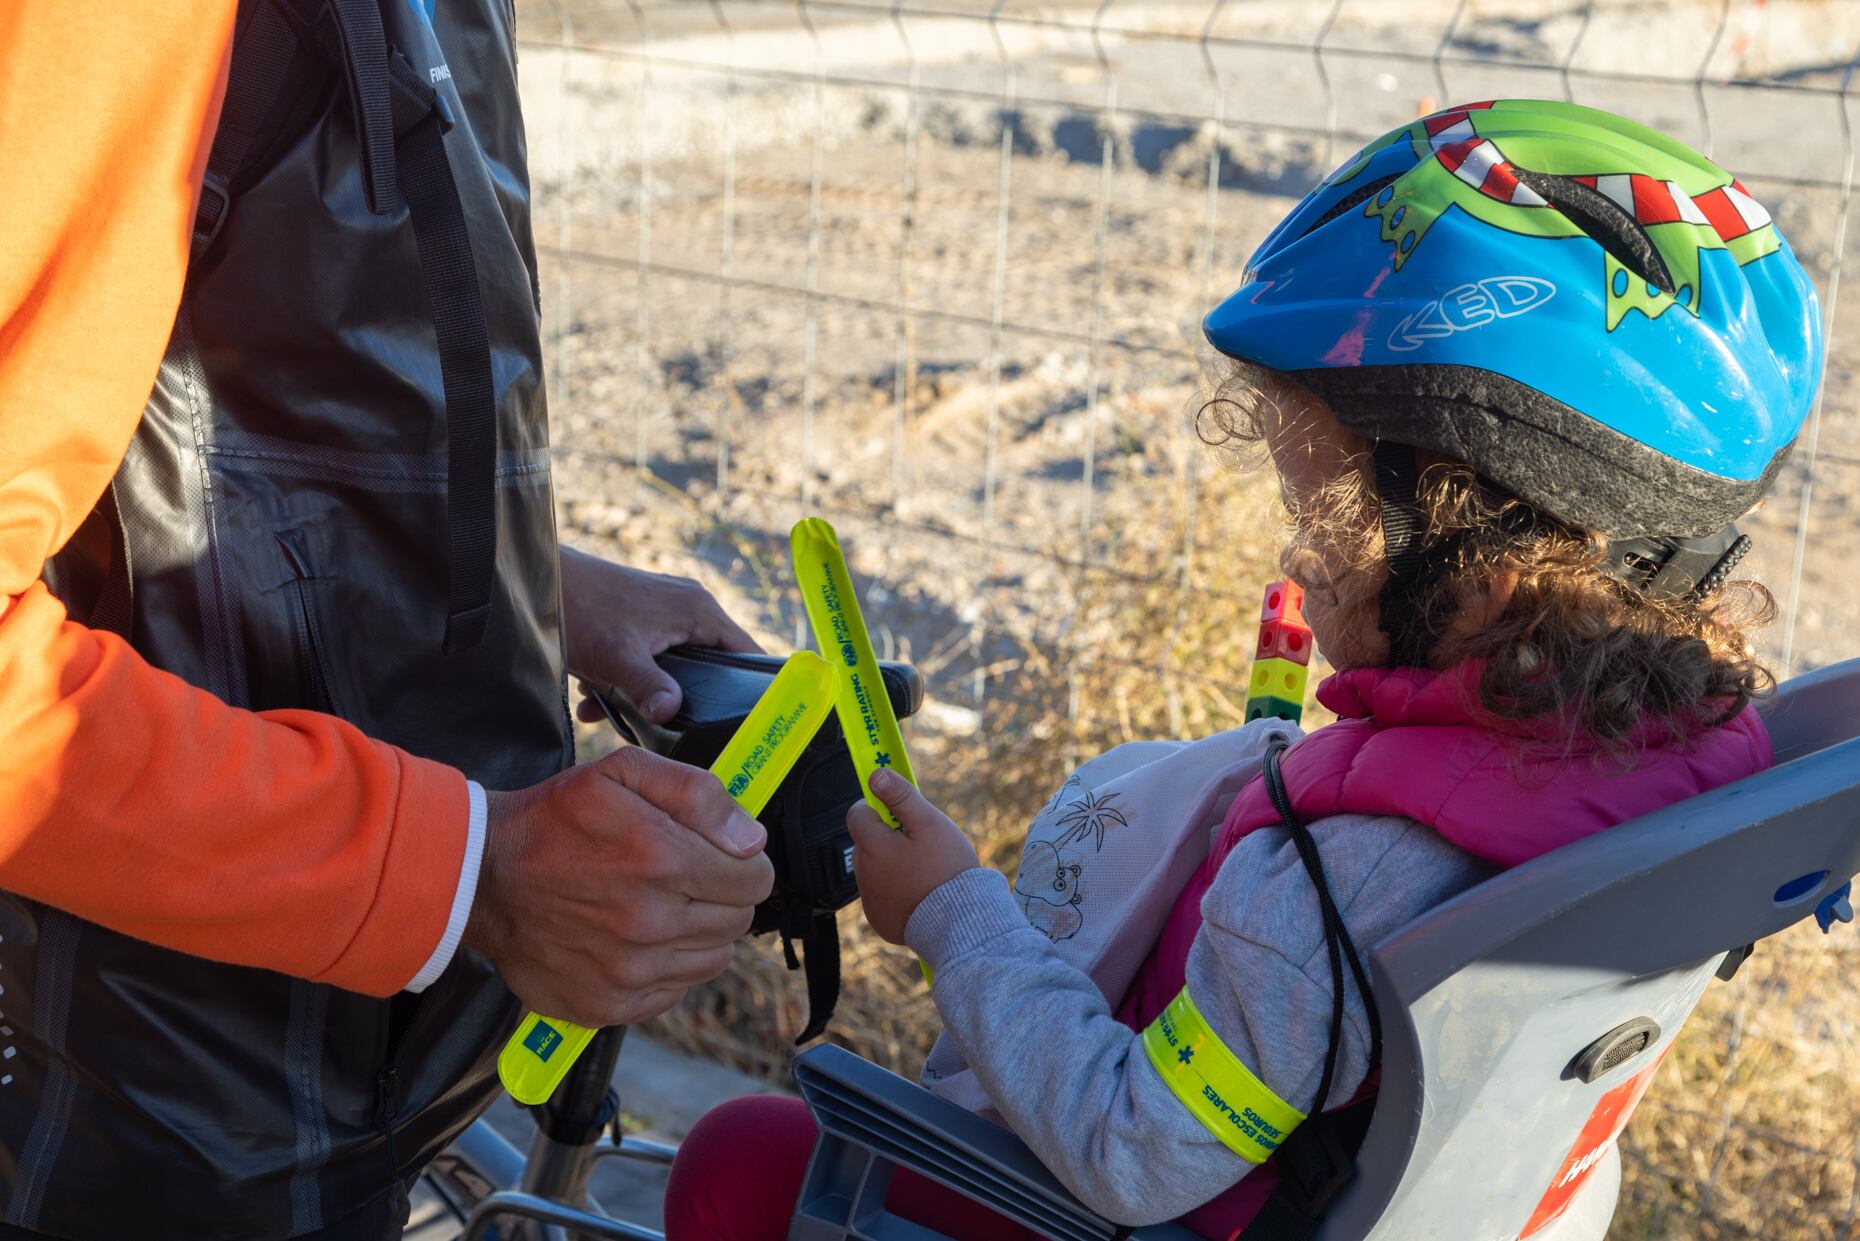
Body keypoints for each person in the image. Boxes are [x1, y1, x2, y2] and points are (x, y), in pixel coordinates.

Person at [661, 98, 1824, 1237]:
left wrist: (952, 915)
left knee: (742, 1161)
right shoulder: (1698, 767)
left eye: (1319, 512)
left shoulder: (1339, 883)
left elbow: (1130, 1148)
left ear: (1480, 587)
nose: (1295, 552)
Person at [2, 3, 772, 1238]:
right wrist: (468, 872)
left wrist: (539, 584)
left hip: (357, 1086)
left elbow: (221, 400)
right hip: (153, 1102)